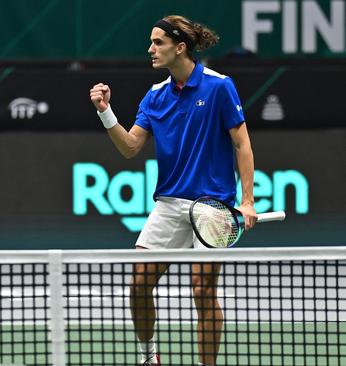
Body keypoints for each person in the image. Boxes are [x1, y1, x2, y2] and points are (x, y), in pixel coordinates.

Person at [89, 15, 257, 366]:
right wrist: (106, 113)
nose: (150, 49)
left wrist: (247, 200)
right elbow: (131, 147)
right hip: (169, 203)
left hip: (212, 207)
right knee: (138, 284)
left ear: (180, 47)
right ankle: (148, 357)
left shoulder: (219, 86)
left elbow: (241, 143)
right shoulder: (154, 96)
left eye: (158, 42)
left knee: (202, 290)